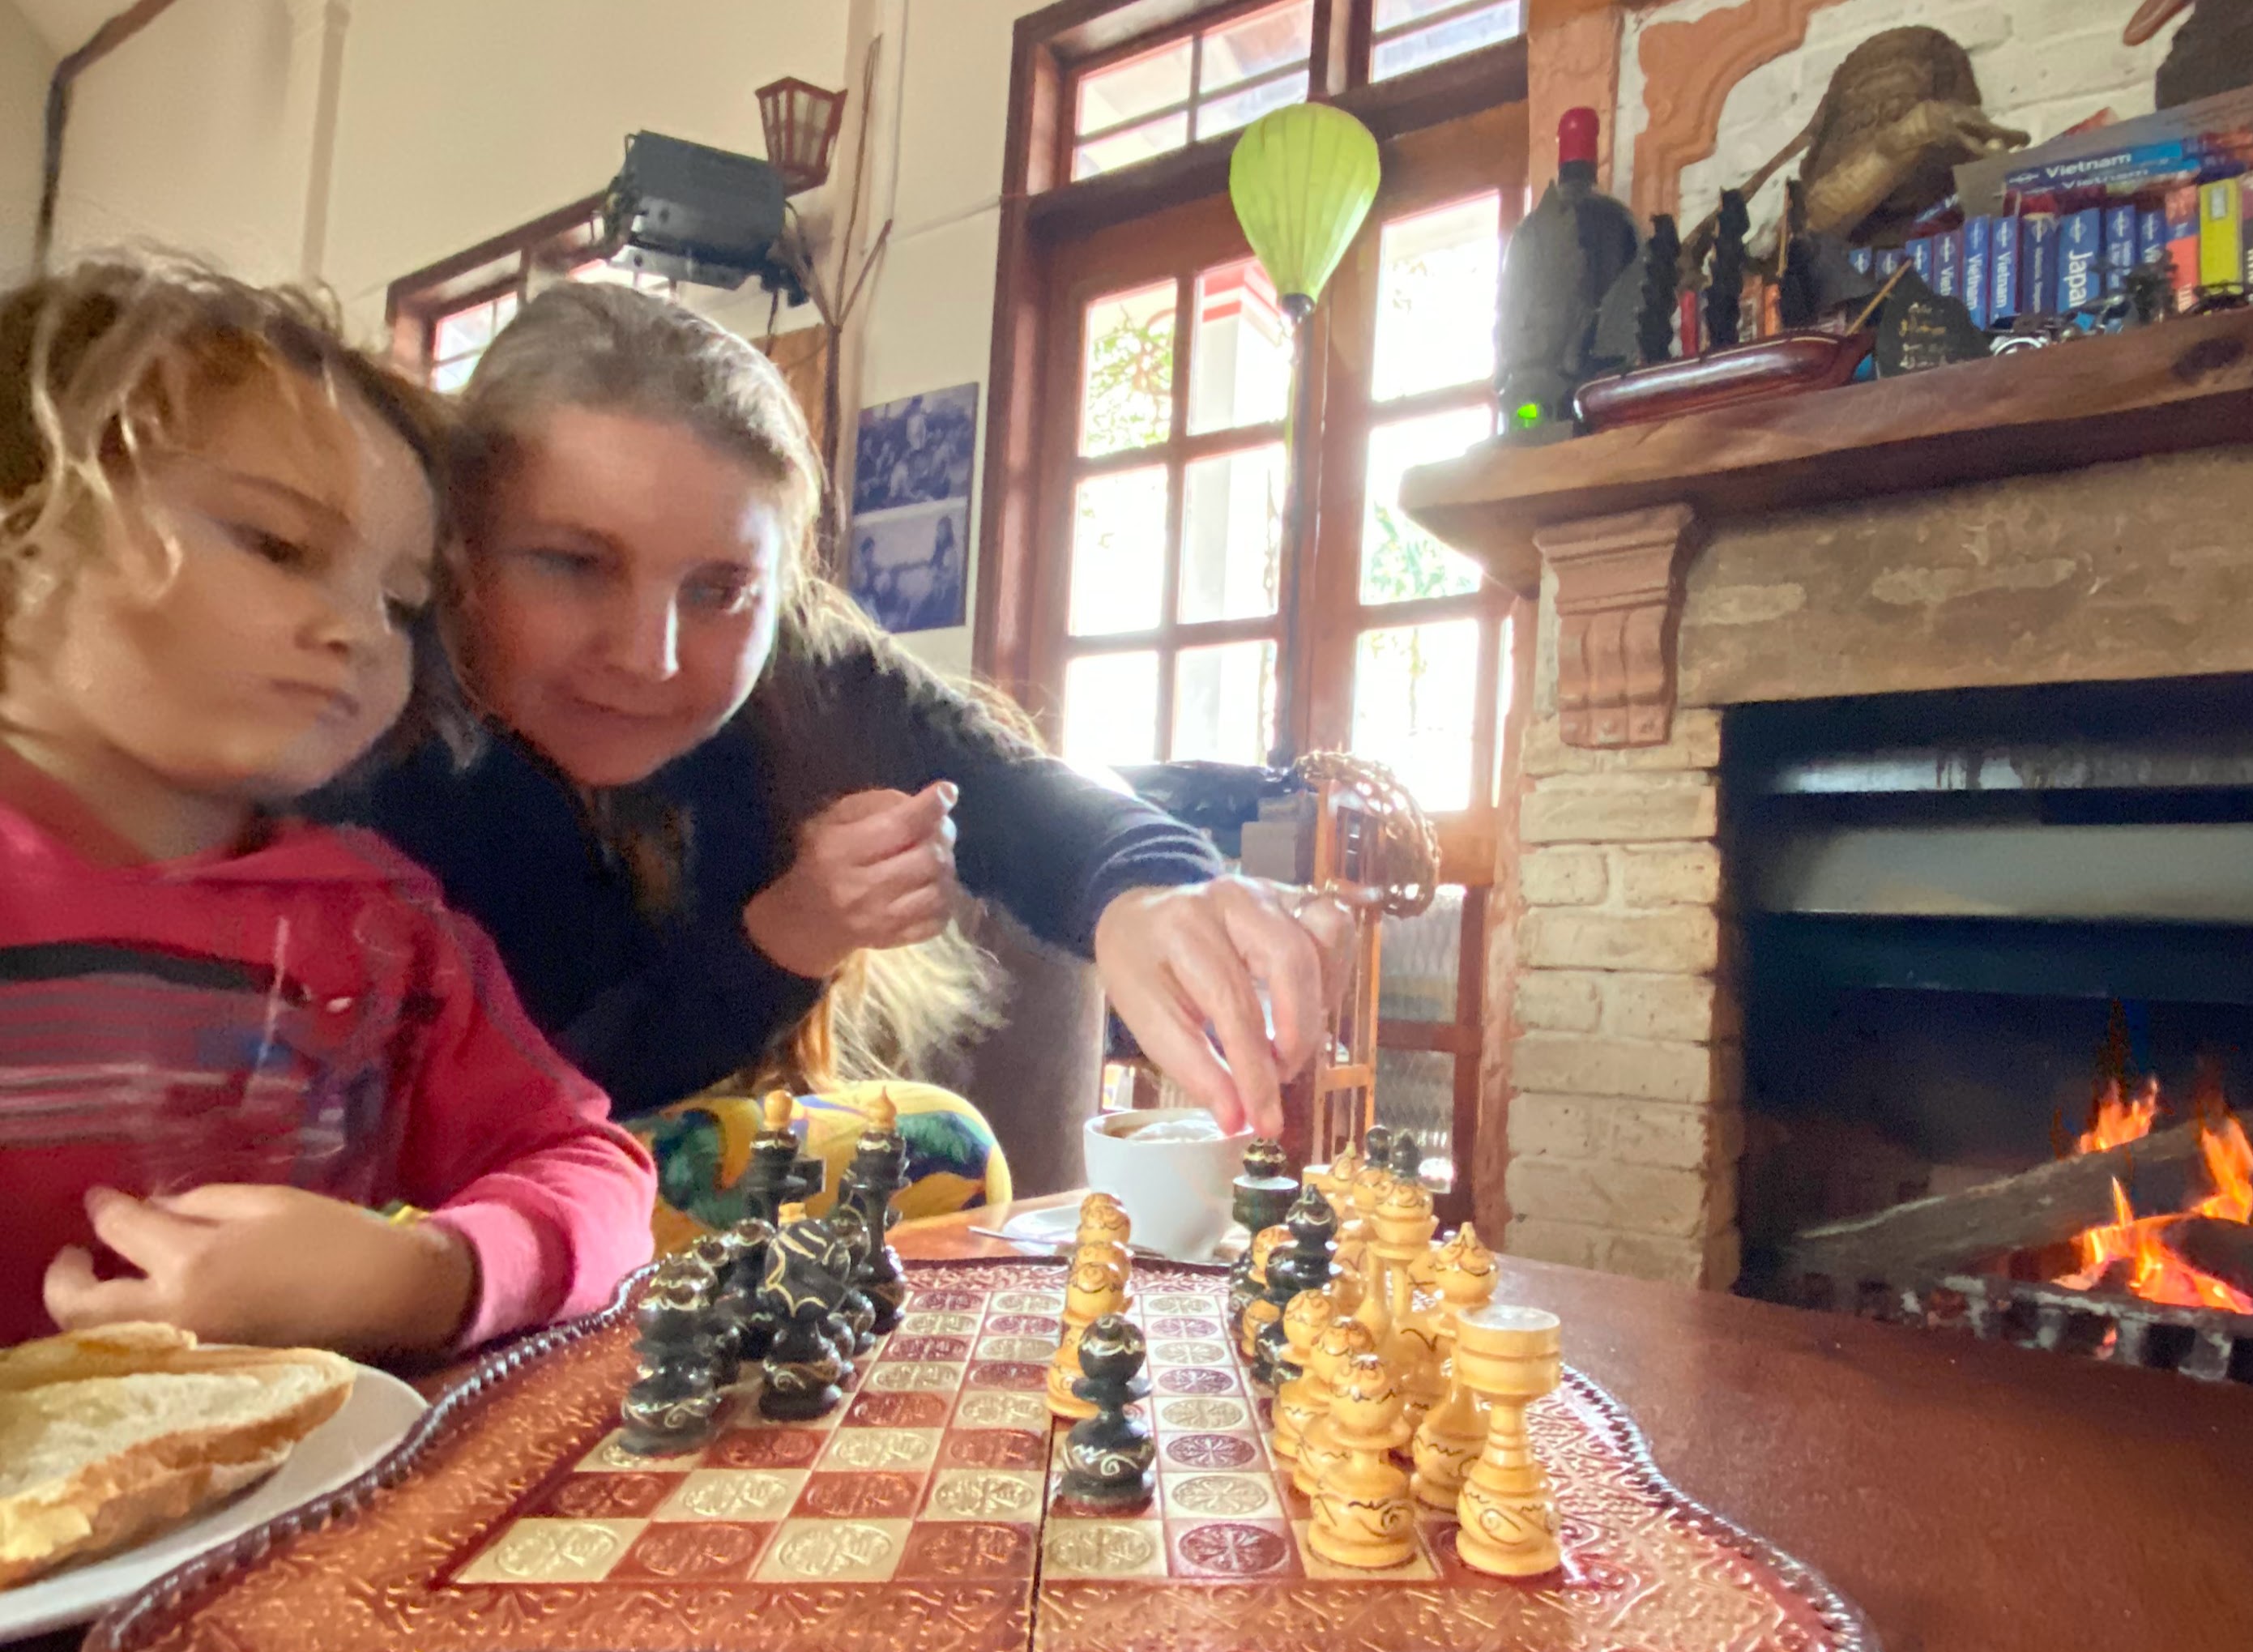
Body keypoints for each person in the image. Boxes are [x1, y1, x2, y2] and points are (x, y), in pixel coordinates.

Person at [347, 284, 1344, 1135]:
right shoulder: (363, 732)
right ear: (456, 553)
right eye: (572, 564)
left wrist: (1150, 886)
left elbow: (1012, 792)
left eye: (719, 589)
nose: (651, 658)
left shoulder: (805, 663)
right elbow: (526, 1098)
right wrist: (789, 935)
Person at [0, 255, 657, 1353]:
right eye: (277, 545)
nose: (359, 629)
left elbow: (594, 1171)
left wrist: (427, 1275)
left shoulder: (380, 934)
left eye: (400, 601)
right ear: (25, 533)